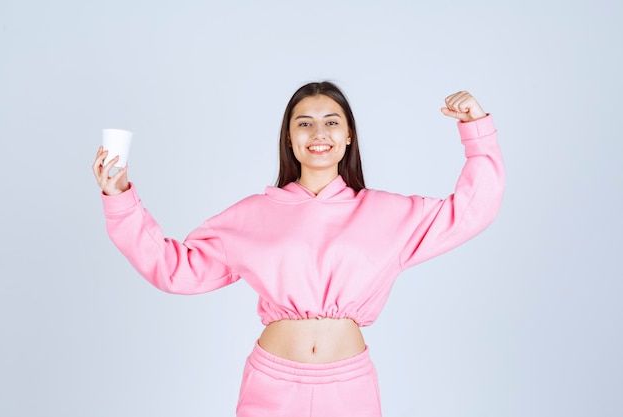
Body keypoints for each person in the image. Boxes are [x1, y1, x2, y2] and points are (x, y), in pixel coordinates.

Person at [92, 81, 504, 417]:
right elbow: (174, 269)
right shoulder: (253, 214)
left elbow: (471, 210)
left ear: (347, 137)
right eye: (304, 124)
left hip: (349, 389)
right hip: (271, 386)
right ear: (289, 139)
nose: (318, 133)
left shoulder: (386, 213)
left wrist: (477, 131)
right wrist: (121, 199)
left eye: (331, 122)